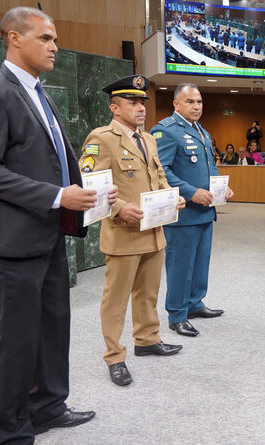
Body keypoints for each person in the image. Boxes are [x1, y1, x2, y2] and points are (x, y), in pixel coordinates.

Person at [0, 7, 104, 442]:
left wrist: (87, 191)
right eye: (45, 38)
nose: (55, 47)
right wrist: (59, 195)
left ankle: (47, 407)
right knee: (19, 341)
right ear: (13, 38)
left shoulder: (40, 93)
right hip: (9, 244)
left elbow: (50, 161)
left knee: (53, 328)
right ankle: (12, 430)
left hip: (47, 235)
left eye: (55, 39)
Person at [79, 75, 185, 386]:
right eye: (133, 102)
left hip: (153, 229)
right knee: (116, 299)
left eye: (143, 102)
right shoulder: (101, 139)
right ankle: (115, 356)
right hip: (124, 233)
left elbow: (159, 176)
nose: (141, 108)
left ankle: (147, 339)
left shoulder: (149, 138)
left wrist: (172, 194)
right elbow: (91, 187)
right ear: (115, 107)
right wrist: (119, 207)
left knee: (148, 293)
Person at [151, 83, 232, 338]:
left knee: (200, 263)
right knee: (181, 266)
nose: (196, 106)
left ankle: (195, 304)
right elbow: (161, 171)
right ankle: (176, 315)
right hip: (184, 213)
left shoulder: (202, 131)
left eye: (199, 102)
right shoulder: (165, 131)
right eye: (190, 102)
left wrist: (223, 189)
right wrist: (190, 192)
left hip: (206, 211)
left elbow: (210, 167)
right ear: (176, 104)